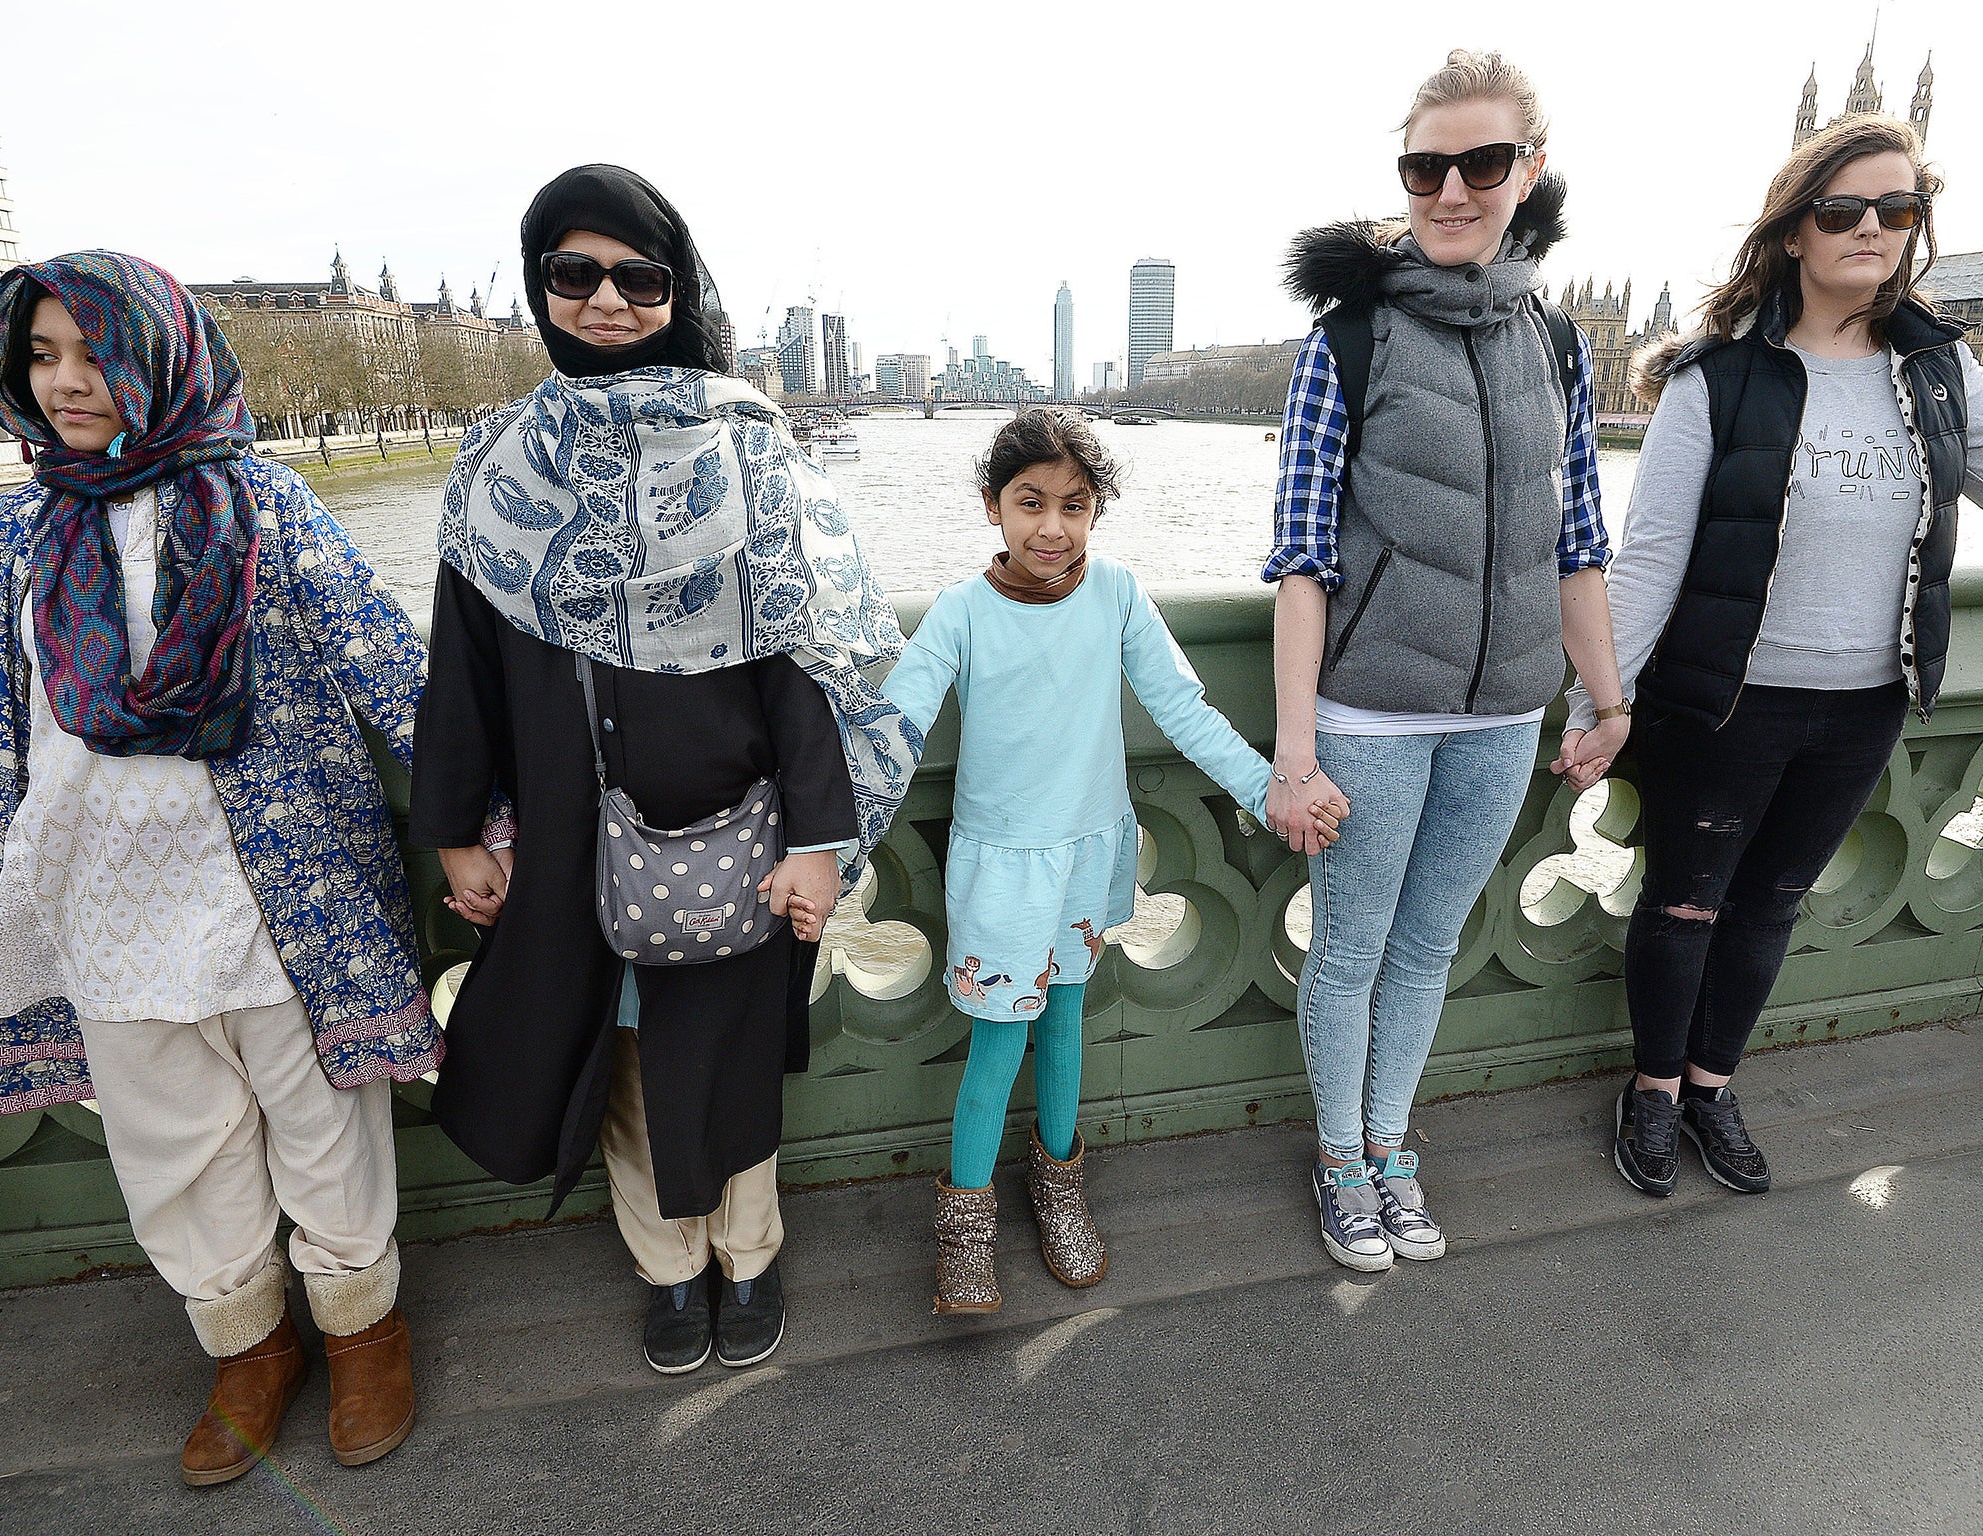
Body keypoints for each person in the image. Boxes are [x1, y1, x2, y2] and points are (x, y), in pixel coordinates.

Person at [0, 253, 436, 1483]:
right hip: (96, 891)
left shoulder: (265, 502)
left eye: (93, 352)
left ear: (160, 355)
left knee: (321, 1120)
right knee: (172, 1138)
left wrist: (489, 819)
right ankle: (247, 1347)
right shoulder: (14, 525)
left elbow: (384, 663)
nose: (65, 383)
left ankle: (363, 1329)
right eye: (41, 357)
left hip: (273, 880)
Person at [410, 165, 917, 1376]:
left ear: (677, 291)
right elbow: (463, 661)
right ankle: (669, 1268)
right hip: (572, 832)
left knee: (730, 1051)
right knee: (622, 1059)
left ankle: (750, 1254)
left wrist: (816, 837)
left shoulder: (745, 443)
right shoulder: (497, 463)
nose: (604, 301)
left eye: (639, 277)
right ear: (539, 287)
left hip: (730, 825)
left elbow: (802, 657)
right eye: (572, 275)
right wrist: (455, 828)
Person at [1555, 116, 1982, 1199]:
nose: (1871, 230)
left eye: (1898, 211)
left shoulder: (1941, 372)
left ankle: (1710, 1083)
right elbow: (1644, 558)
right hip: (1724, 698)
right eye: (1842, 210)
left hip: (1865, 699)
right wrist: (1597, 703)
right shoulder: (1717, 380)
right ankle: (1650, 1091)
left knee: (1772, 903)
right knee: (1687, 900)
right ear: (1794, 229)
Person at [1265, 50, 1625, 1272]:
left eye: (1478, 162)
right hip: (1370, 713)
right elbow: (1301, 559)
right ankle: (1337, 1155)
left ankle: (1387, 1138)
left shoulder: (1562, 350)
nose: (1449, 189)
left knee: (1427, 949)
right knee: (1353, 946)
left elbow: (1579, 542)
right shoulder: (1346, 343)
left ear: (1526, 172)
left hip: (1500, 717)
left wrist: (1601, 695)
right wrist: (1296, 748)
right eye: (1424, 165)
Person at [877, 407, 1271, 1313]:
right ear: (993, 508)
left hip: (1088, 851)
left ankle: (1059, 1189)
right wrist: (830, 842)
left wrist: (1265, 789)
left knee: (1064, 1021)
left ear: (1096, 513)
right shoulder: (961, 610)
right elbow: (891, 730)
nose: (1052, 527)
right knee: (996, 1040)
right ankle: (964, 1226)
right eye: (1030, 503)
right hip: (1004, 865)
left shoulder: (1119, 593)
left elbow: (1184, 708)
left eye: (1075, 505)